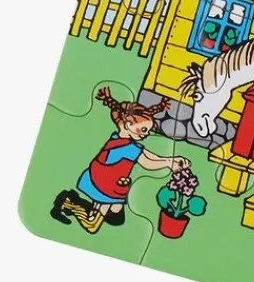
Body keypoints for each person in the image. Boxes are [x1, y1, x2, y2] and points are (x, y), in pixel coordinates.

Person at [51, 88, 188, 233]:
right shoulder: (126, 148)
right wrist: (168, 164)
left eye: (148, 130)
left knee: (116, 216)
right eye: (143, 129)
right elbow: (147, 162)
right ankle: (67, 202)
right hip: (104, 184)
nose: (146, 134)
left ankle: (74, 202)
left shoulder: (122, 140)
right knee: (92, 226)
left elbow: (148, 155)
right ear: (128, 125)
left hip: (106, 180)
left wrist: (171, 159)